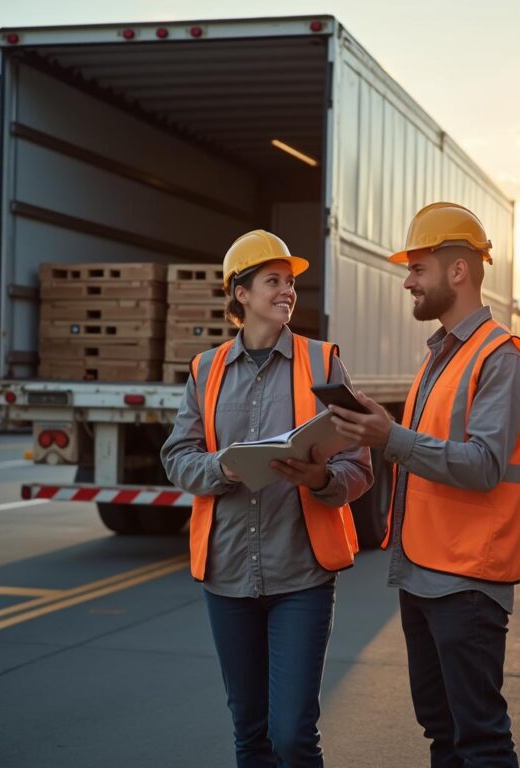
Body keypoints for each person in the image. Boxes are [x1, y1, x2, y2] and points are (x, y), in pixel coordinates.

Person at [329, 203, 520, 768]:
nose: (407, 281)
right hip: (425, 573)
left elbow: (482, 465)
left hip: (468, 580)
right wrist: (381, 427)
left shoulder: (500, 358)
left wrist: (390, 436)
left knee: (481, 739)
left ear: (458, 271)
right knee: (441, 732)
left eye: (417, 268)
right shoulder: (440, 355)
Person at [161, 229, 373, 768]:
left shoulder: (322, 362)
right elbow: (178, 455)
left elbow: (359, 466)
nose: (286, 292)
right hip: (227, 576)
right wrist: (222, 467)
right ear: (241, 293)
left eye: (291, 282)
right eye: (273, 281)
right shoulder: (206, 370)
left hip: (301, 574)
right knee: (250, 735)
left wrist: (318, 479)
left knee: (294, 736)